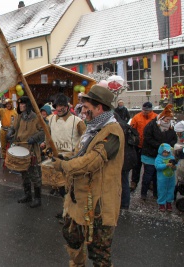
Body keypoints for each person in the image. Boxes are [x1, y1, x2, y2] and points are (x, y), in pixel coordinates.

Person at [52, 84, 124, 266]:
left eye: (86, 107)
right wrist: (65, 158)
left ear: (99, 108)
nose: (82, 111)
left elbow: (92, 161)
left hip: (100, 204)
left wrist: (65, 165)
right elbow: (81, 155)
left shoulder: (113, 131)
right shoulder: (92, 129)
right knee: (72, 239)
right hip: (79, 201)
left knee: (99, 252)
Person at [41, 93, 86, 216]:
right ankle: (66, 210)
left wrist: (77, 154)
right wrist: (48, 148)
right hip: (56, 157)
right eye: (57, 106)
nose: (59, 109)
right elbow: (48, 136)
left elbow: (85, 139)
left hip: (71, 158)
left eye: (62, 106)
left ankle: (72, 213)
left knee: (71, 188)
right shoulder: (51, 120)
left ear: (67, 107)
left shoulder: (77, 121)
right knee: (61, 187)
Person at [7, 96, 44, 208]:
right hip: (21, 148)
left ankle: (38, 198)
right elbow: (13, 127)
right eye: (19, 104)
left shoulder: (36, 117)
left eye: (23, 104)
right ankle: (27, 195)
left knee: (34, 175)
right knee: (23, 173)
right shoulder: (20, 116)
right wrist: (10, 132)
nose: (20, 106)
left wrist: (35, 137)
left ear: (27, 105)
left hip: (31, 149)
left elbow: (44, 131)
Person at [140, 104, 177, 201]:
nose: (168, 121)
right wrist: (160, 145)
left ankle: (156, 193)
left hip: (163, 155)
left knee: (158, 176)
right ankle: (144, 193)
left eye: (169, 120)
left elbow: (174, 139)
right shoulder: (152, 125)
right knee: (148, 174)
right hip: (150, 154)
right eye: (167, 119)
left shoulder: (170, 128)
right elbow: (147, 138)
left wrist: (168, 146)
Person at [129, 102, 158, 191]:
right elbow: (132, 130)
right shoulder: (137, 117)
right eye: (144, 110)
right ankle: (134, 182)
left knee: (150, 166)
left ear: (151, 110)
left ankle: (150, 183)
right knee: (136, 165)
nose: (145, 112)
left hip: (150, 146)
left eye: (147, 111)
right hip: (139, 145)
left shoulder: (156, 117)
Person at [155, 143, 176, 212]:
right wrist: (165, 165)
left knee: (170, 190)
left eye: (167, 152)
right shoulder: (158, 158)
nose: (166, 154)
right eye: (164, 152)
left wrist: (174, 167)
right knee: (162, 190)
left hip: (171, 178)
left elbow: (176, 166)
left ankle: (169, 202)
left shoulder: (172, 157)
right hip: (162, 179)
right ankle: (161, 203)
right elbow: (157, 167)